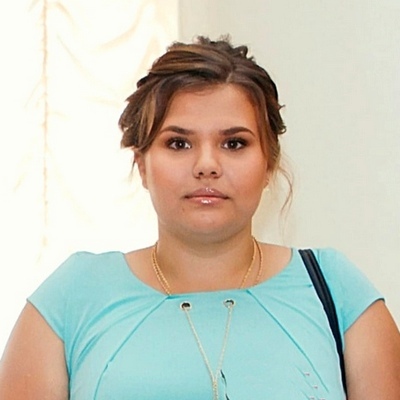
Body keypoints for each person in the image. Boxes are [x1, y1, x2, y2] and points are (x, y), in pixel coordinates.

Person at [0, 36, 399, 400]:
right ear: (142, 164)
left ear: (268, 163)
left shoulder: (337, 292)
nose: (207, 165)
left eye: (234, 143)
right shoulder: (71, 298)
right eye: (178, 143)